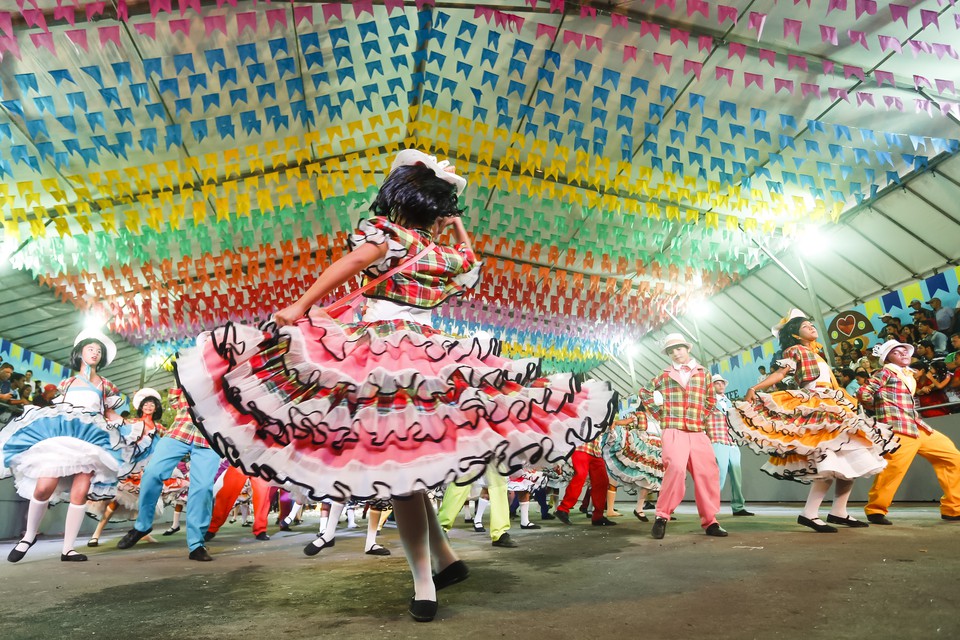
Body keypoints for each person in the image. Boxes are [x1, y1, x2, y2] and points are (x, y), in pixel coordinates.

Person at [174, 149, 617, 621]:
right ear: (436, 210)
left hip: (382, 352)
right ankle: (445, 561)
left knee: (402, 474)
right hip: (431, 354)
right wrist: (454, 224)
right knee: (410, 468)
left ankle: (424, 582)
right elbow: (470, 264)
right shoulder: (445, 253)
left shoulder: (389, 237)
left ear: (398, 198)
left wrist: (297, 307)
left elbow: (344, 268)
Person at [729, 310, 898, 533]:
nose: (811, 327)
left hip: (835, 405)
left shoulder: (817, 354)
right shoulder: (795, 350)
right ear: (796, 335)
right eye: (805, 326)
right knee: (829, 460)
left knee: (852, 457)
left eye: (811, 324)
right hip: (817, 405)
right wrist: (755, 388)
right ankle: (809, 513)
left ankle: (839, 510)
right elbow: (781, 374)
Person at [1, 330, 148, 562]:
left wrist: (124, 425)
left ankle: (68, 549)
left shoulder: (106, 384)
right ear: (80, 353)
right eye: (91, 349)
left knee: (80, 493)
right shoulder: (67, 382)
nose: (95, 353)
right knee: (43, 487)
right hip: (65, 436)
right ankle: (28, 536)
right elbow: (60, 407)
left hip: (91, 440)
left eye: (99, 351)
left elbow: (107, 410)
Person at [859, 340, 960, 524]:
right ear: (887, 357)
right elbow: (864, 393)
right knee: (893, 469)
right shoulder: (885, 372)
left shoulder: (909, 374)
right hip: (898, 427)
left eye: (905, 351)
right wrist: (882, 409)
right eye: (897, 352)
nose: (904, 354)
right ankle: (875, 510)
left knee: (952, 457)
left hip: (916, 425)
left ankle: (953, 508)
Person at [116, 387, 222, 561]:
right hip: (180, 431)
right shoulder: (191, 365)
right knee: (152, 473)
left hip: (210, 439)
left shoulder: (235, 377)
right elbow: (174, 398)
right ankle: (142, 526)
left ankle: (196, 544)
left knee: (202, 488)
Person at [638, 333, 726, 539]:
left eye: (678, 349)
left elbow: (711, 398)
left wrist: (701, 416)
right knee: (675, 470)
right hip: (673, 429)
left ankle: (710, 521)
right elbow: (645, 392)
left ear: (688, 349)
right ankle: (662, 516)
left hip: (697, 431)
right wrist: (660, 414)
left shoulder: (704, 374)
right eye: (671, 351)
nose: (675, 353)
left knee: (707, 474)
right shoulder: (665, 374)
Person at [87, 388, 174, 547]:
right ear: (141, 406)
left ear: (156, 408)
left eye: (152, 404)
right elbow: (118, 426)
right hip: (130, 469)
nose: (148, 406)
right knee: (114, 503)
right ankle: (96, 535)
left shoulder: (159, 428)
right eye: (146, 403)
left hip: (147, 470)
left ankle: (143, 533)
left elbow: (165, 446)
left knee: (145, 502)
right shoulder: (134, 423)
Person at [706, 374, 753, 517]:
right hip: (717, 438)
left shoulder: (729, 402)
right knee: (718, 475)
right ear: (711, 386)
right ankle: (710, 508)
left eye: (722, 383)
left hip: (731, 441)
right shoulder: (707, 402)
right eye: (717, 383)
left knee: (736, 475)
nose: (721, 386)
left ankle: (738, 506)